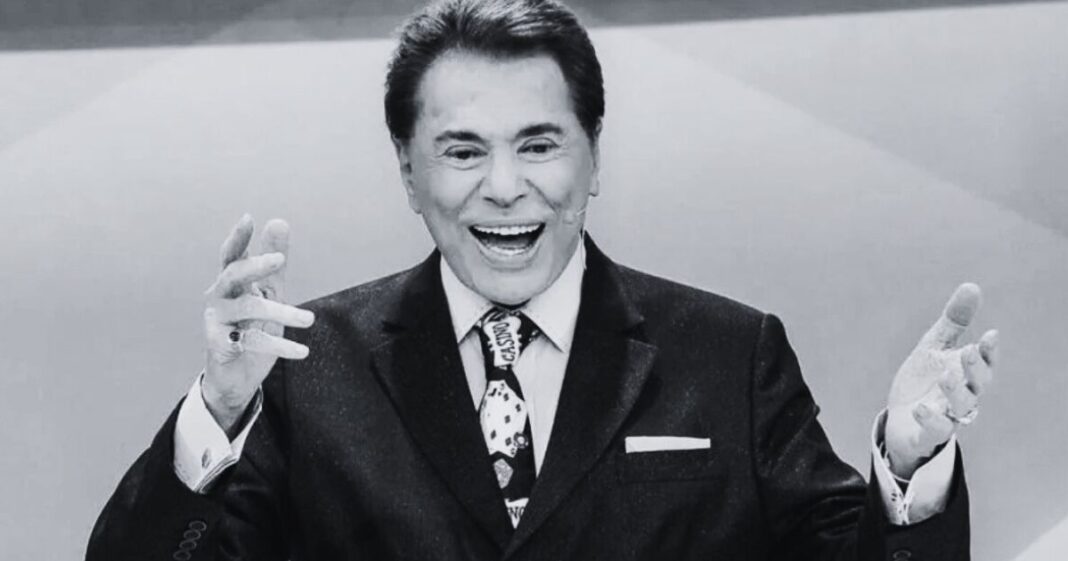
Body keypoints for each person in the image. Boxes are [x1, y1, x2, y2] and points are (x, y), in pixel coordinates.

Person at [87, 0, 999, 559]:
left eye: (538, 145)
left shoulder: (731, 353)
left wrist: (907, 469)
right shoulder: (307, 365)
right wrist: (218, 412)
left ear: (592, 156)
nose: (504, 186)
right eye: (462, 151)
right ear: (408, 172)